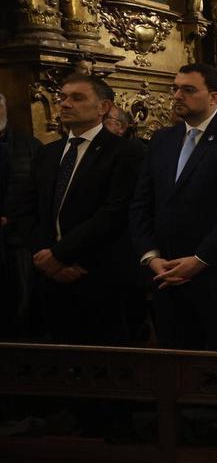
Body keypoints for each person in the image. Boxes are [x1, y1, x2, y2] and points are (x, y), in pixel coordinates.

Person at [130, 63, 217, 351]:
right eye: (175, 88)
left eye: (188, 90)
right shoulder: (163, 139)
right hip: (166, 273)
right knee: (175, 365)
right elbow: (142, 202)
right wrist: (151, 256)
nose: (178, 95)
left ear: (214, 97)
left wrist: (200, 259)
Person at [20, 74, 145, 343]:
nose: (65, 104)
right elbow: (27, 210)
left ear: (103, 107)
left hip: (98, 274)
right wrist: (46, 257)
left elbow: (114, 212)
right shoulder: (48, 153)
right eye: (62, 97)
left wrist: (61, 254)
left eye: (77, 98)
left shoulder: (125, 152)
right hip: (48, 277)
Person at [0, 91, 43, 339]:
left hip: (18, 242)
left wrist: (10, 218)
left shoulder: (29, 146)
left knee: (21, 309)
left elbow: (37, 192)